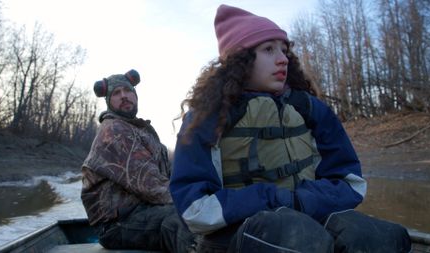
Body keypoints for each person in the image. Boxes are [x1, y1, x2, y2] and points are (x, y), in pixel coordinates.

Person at [170, 5, 411, 253]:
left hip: (307, 217)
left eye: (284, 50)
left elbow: (351, 182)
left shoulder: (309, 108)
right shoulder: (208, 116)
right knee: (300, 239)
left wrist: (303, 200)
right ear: (239, 60)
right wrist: (271, 198)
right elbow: (194, 209)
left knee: (381, 237)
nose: (283, 58)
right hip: (234, 234)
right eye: (268, 49)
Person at [81, 69, 196, 252]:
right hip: (117, 224)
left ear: (135, 95)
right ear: (109, 102)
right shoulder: (114, 131)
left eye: (128, 91)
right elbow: (150, 185)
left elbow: (165, 177)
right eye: (117, 93)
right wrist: (194, 201)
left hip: (143, 211)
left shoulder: (139, 130)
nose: (124, 96)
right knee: (184, 220)